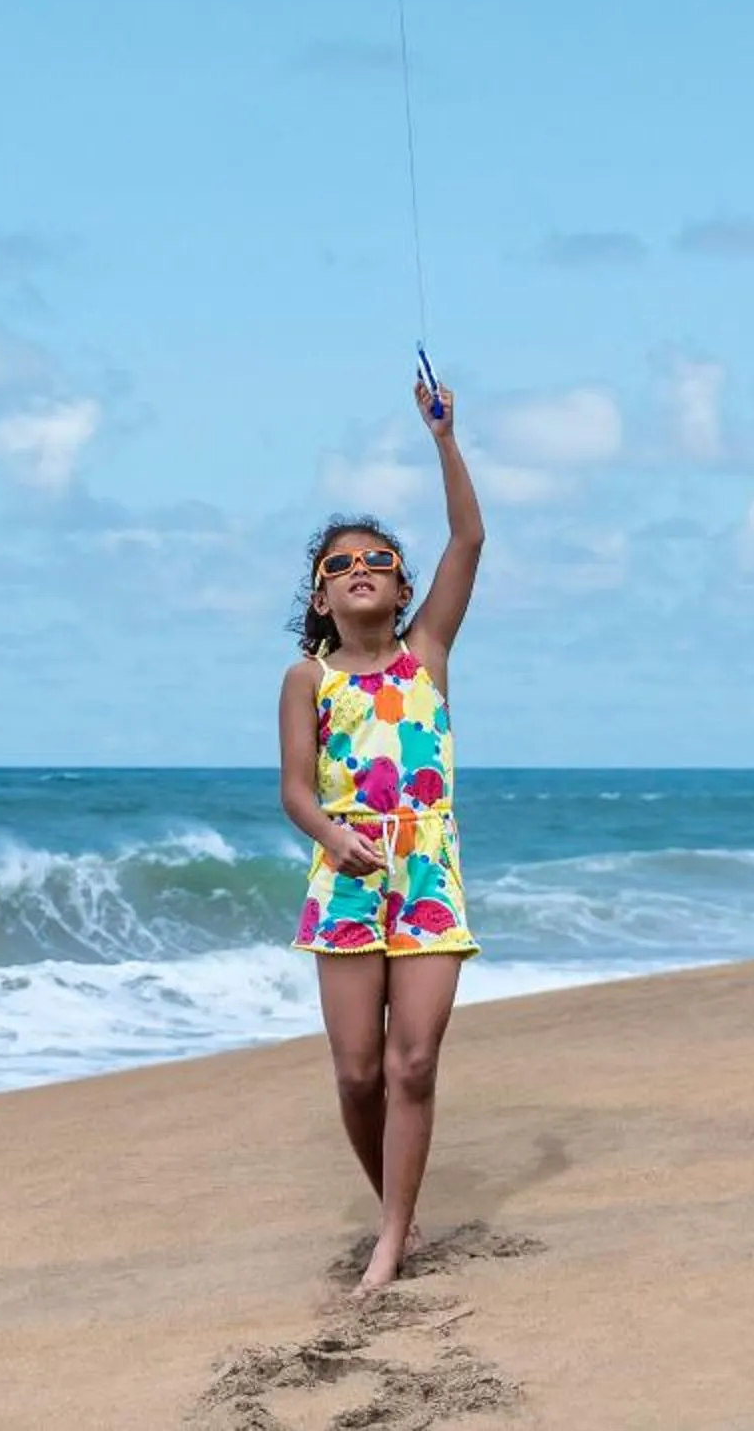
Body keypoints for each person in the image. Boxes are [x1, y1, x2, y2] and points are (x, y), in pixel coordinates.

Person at [278, 365, 486, 1290]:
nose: (360, 571)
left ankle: (392, 1242)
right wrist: (333, 839)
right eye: (339, 567)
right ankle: (392, 1213)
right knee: (359, 1073)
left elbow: (470, 538)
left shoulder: (428, 653)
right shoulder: (305, 681)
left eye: (377, 562)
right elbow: (294, 790)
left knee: (414, 1064)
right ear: (320, 599)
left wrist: (444, 437)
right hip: (348, 873)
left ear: (401, 590)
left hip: (427, 871)